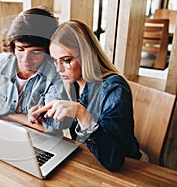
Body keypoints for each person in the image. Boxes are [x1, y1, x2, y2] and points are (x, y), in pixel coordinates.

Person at [30, 20, 142, 171]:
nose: (59, 69)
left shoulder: (114, 89)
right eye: (55, 61)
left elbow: (114, 159)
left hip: (127, 168)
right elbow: (70, 125)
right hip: (88, 159)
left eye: (67, 60)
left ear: (88, 54)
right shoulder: (73, 81)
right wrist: (46, 115)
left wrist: (82, 114)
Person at [0, 7, 68, 134]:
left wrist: (6, 116)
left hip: (40, 139)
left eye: (36, 52)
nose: (26, 60)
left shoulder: (57, 74)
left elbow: (50, 128)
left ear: (48, 50)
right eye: (20, 49)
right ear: (13, 45)